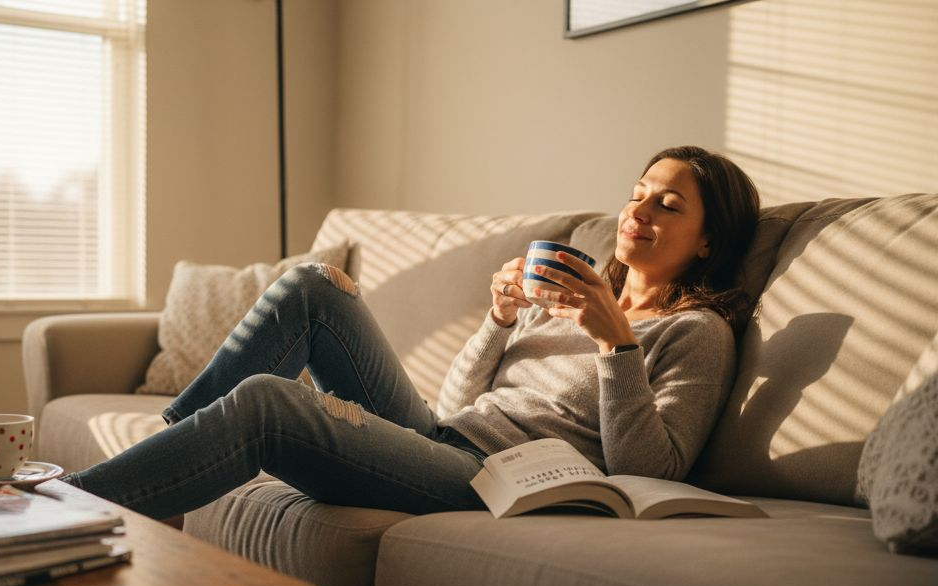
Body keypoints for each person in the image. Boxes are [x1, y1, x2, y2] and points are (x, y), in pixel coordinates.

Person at [61, 146, 761, 520]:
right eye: (638, 194)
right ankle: (179, 436)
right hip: (442, 436)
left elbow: (647, 471)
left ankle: (66, 509)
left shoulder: (696, 332)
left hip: (498, 480)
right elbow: (456, 405)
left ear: (708, 241)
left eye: (668, 205)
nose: (640, 211)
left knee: (270, 402)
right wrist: (498, 320)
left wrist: (617, 344)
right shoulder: (568, 293)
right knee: (313, 286)